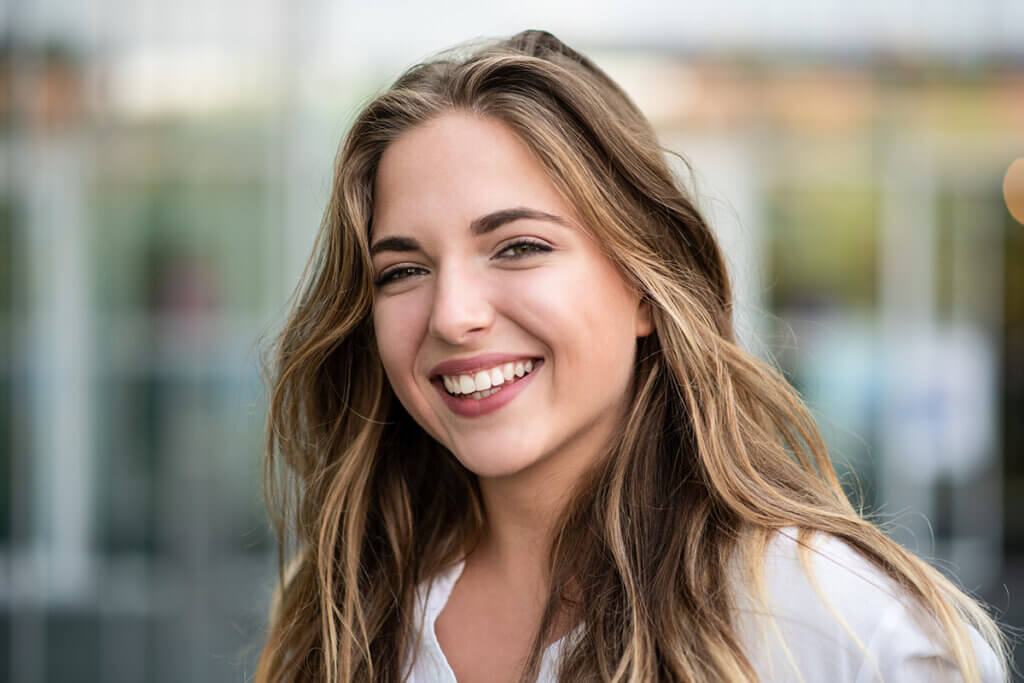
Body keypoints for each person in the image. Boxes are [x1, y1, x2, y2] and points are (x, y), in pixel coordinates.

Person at [255, 29, 1008, 682]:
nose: (452, 315)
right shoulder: (345, 610)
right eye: (403, 270)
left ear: (647, 285)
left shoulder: (840, 627)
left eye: (518, 247)